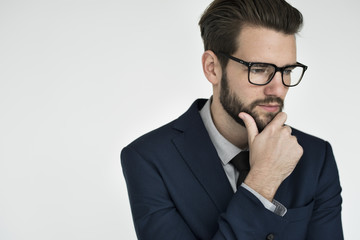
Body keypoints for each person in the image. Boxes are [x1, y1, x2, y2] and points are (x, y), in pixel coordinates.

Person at [121, 0, 343, 239]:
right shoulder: (149, 158)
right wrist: (262, 182)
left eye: (287, 71)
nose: (277, 88)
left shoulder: (316, 157)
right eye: (259, 69)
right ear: (212, 68)